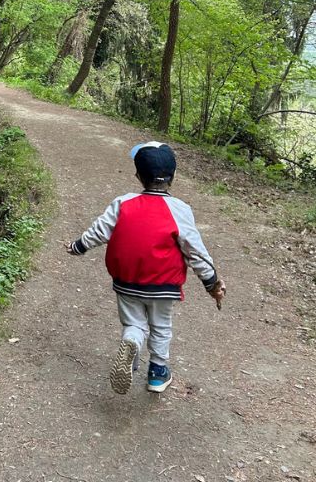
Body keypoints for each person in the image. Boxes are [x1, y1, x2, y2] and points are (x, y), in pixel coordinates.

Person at [66, 140, 225, 394]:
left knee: (134, 323)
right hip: (163, 283)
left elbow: (99, 231)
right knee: (160, 326)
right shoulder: (179, 209)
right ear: (173, 177)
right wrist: (211, 283)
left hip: (126, 280)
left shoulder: (123, 202)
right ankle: (157, 373)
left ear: (138, 176)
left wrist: (78, 246)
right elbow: (195, 251)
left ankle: (131, 341)